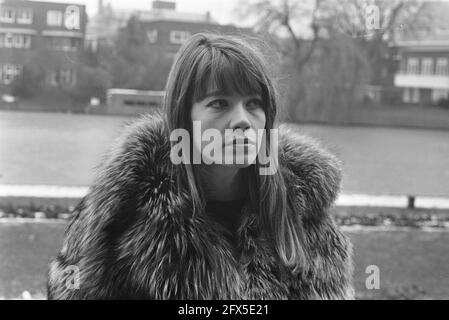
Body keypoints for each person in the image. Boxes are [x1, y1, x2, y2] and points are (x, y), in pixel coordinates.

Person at [47, 33, 353, 299]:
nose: (242, 121)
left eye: (254, 104)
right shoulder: (125, 211)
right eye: (219, 103)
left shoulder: (301, 210)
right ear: (184, 118)